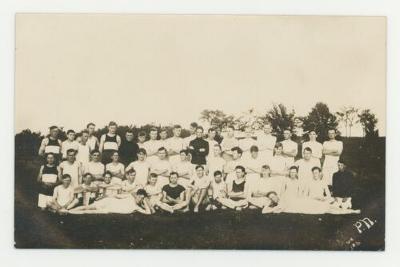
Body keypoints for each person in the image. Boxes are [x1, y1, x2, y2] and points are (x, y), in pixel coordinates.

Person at [68, 189, 152, 215]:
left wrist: (144, 201)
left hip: (108, 209)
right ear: (136, 195)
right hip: (109, 202)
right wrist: (104, 196)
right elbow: (116, 196)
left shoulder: (136, 207)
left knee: (88, 212)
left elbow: (148, 213)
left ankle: (69, 212)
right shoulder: (129, 196)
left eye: (142, 198)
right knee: (87, 207)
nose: (139, 199)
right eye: (139, 196)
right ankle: (68, 210)